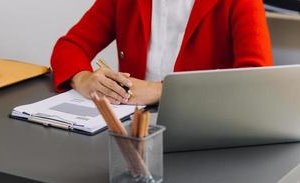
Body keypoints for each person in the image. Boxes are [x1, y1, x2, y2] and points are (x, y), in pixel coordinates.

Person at [51, 0, 273, 105]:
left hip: (204, 131)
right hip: (135, 131)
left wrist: (161, 91)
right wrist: (83, 79)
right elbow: (70, 46)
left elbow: (255, 83)